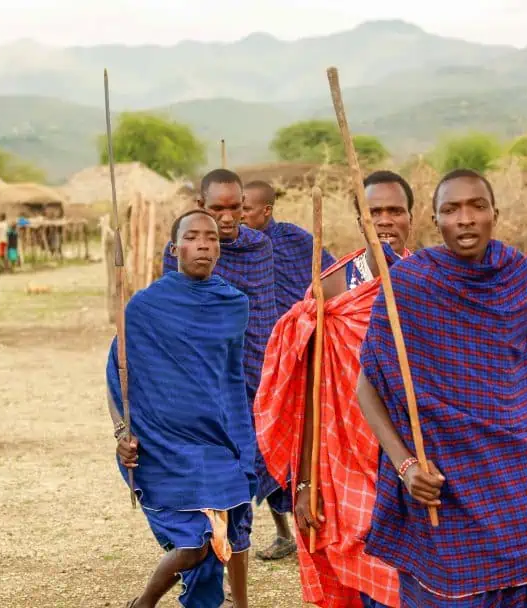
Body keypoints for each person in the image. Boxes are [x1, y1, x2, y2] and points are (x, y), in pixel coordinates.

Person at [356, 169, 527, 607]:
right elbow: (367, 386)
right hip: (444, 483)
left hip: (515, 471)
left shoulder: (516, 274)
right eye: (451, 209)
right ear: (435, 220)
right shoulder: (410, 284)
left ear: (495, 214)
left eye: (476, 206)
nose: (465, 218)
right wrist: (405, 467)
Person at [255, 170, 414, 608]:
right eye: (372, 211)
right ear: (359, 220)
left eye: (394, 211)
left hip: (417, 450)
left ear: (411, 220)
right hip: (345, 455)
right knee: (361, 568)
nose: (384, 220)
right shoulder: (330, 289)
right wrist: (305, 484)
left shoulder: (429, 281)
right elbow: (309, 396)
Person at [110, 209, 257, 608]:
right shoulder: (144, 308)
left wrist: (242, 439)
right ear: (175, 248)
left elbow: (231, 377)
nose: (204, 245)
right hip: (164, 446)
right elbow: (119, 374)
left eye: (211, 238)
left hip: (217, 441)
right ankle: (145, 602)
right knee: (194, 546)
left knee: (225, 531)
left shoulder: (233, 305)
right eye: (193, 237)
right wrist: (123, 434)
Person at [161, 169, 280, 572]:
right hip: (204, 389)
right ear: (201, 206)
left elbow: (263, 316)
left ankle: (235, 559)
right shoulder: (178, 251)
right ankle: (201, 561)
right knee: (206, 482)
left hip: (254, 382)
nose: (227, 218)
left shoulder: (259, 248)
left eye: (235, 208)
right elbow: (176, 319)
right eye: (217, 209)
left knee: (246, 478)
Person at [240, 179, 336, 561]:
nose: (239, 216)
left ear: (266, 210)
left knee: (300, 446)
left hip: (296, 358)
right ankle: (283, 533)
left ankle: (310, 523)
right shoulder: (235, 250)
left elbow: (327, 281)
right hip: (251, 362)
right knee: (259, 450)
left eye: (246, 208)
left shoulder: (295, 242)